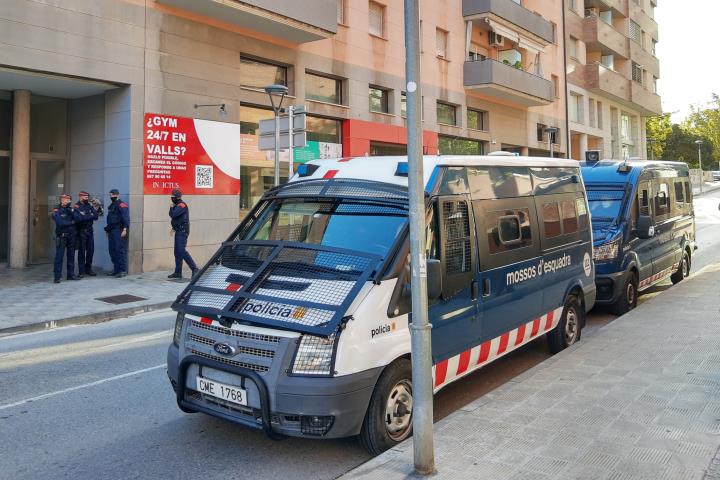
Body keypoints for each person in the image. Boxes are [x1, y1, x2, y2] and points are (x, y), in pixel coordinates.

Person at [168, 189, 198, 279]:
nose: (171, 198)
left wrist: (171, 207)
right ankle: (178, 272)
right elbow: (176, 218)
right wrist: (173, 228)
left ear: (177, 197)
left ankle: (195, 269)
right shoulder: (177, 205)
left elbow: (173, 214)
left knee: (181, 251)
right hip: (178, 230)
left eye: (173, 197)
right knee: (177, 252)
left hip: (183, 231)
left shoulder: (182, 205)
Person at [52, 193, 78, 283]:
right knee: (59, 257)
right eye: (65, 199)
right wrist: (71, 222)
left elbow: (78, 219)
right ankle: (57, 277)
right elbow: (60, 223)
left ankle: (70, 275)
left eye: (69, 199)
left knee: (71, 256)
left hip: (72, 236)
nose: (67, 201)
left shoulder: (71, 210)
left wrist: (71, 212)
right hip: (62, 236)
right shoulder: (56, 210)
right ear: (61, 200)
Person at [74, 191, 99, 277]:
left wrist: (86, 216)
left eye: (87, 197)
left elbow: (96, 217)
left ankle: (88, 269)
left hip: (90, 231)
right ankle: (81, 271)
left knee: (91, 250)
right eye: (85, 197)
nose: (87, 198)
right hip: (81, 231)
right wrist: (89, 215)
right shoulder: (76, 206)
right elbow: (79, 219)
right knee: (81, 252)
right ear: (80, 197)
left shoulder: (89, 205)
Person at [105, 188, 129, 277]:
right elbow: (110, 219)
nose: (111, 196)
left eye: (113, 195)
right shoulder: (112, 205)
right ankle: (116, 269)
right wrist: (107, 230)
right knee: (112, 250)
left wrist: (125, 229)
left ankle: (122, 270)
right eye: (110, 195)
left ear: (117, 195)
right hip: (111, 230)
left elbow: (125, 218)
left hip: (118, 230)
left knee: (119, 250)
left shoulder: (122, 205)